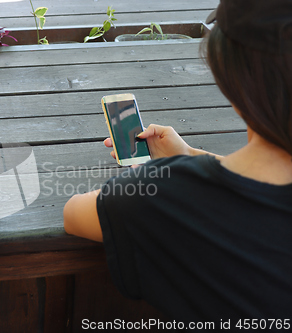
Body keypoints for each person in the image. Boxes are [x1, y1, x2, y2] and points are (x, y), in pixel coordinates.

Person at [64, 0, 292, 326]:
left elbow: (73, 214)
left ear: (235, 81)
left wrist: (163, 177)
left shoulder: (157, 196)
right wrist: (190, 158)